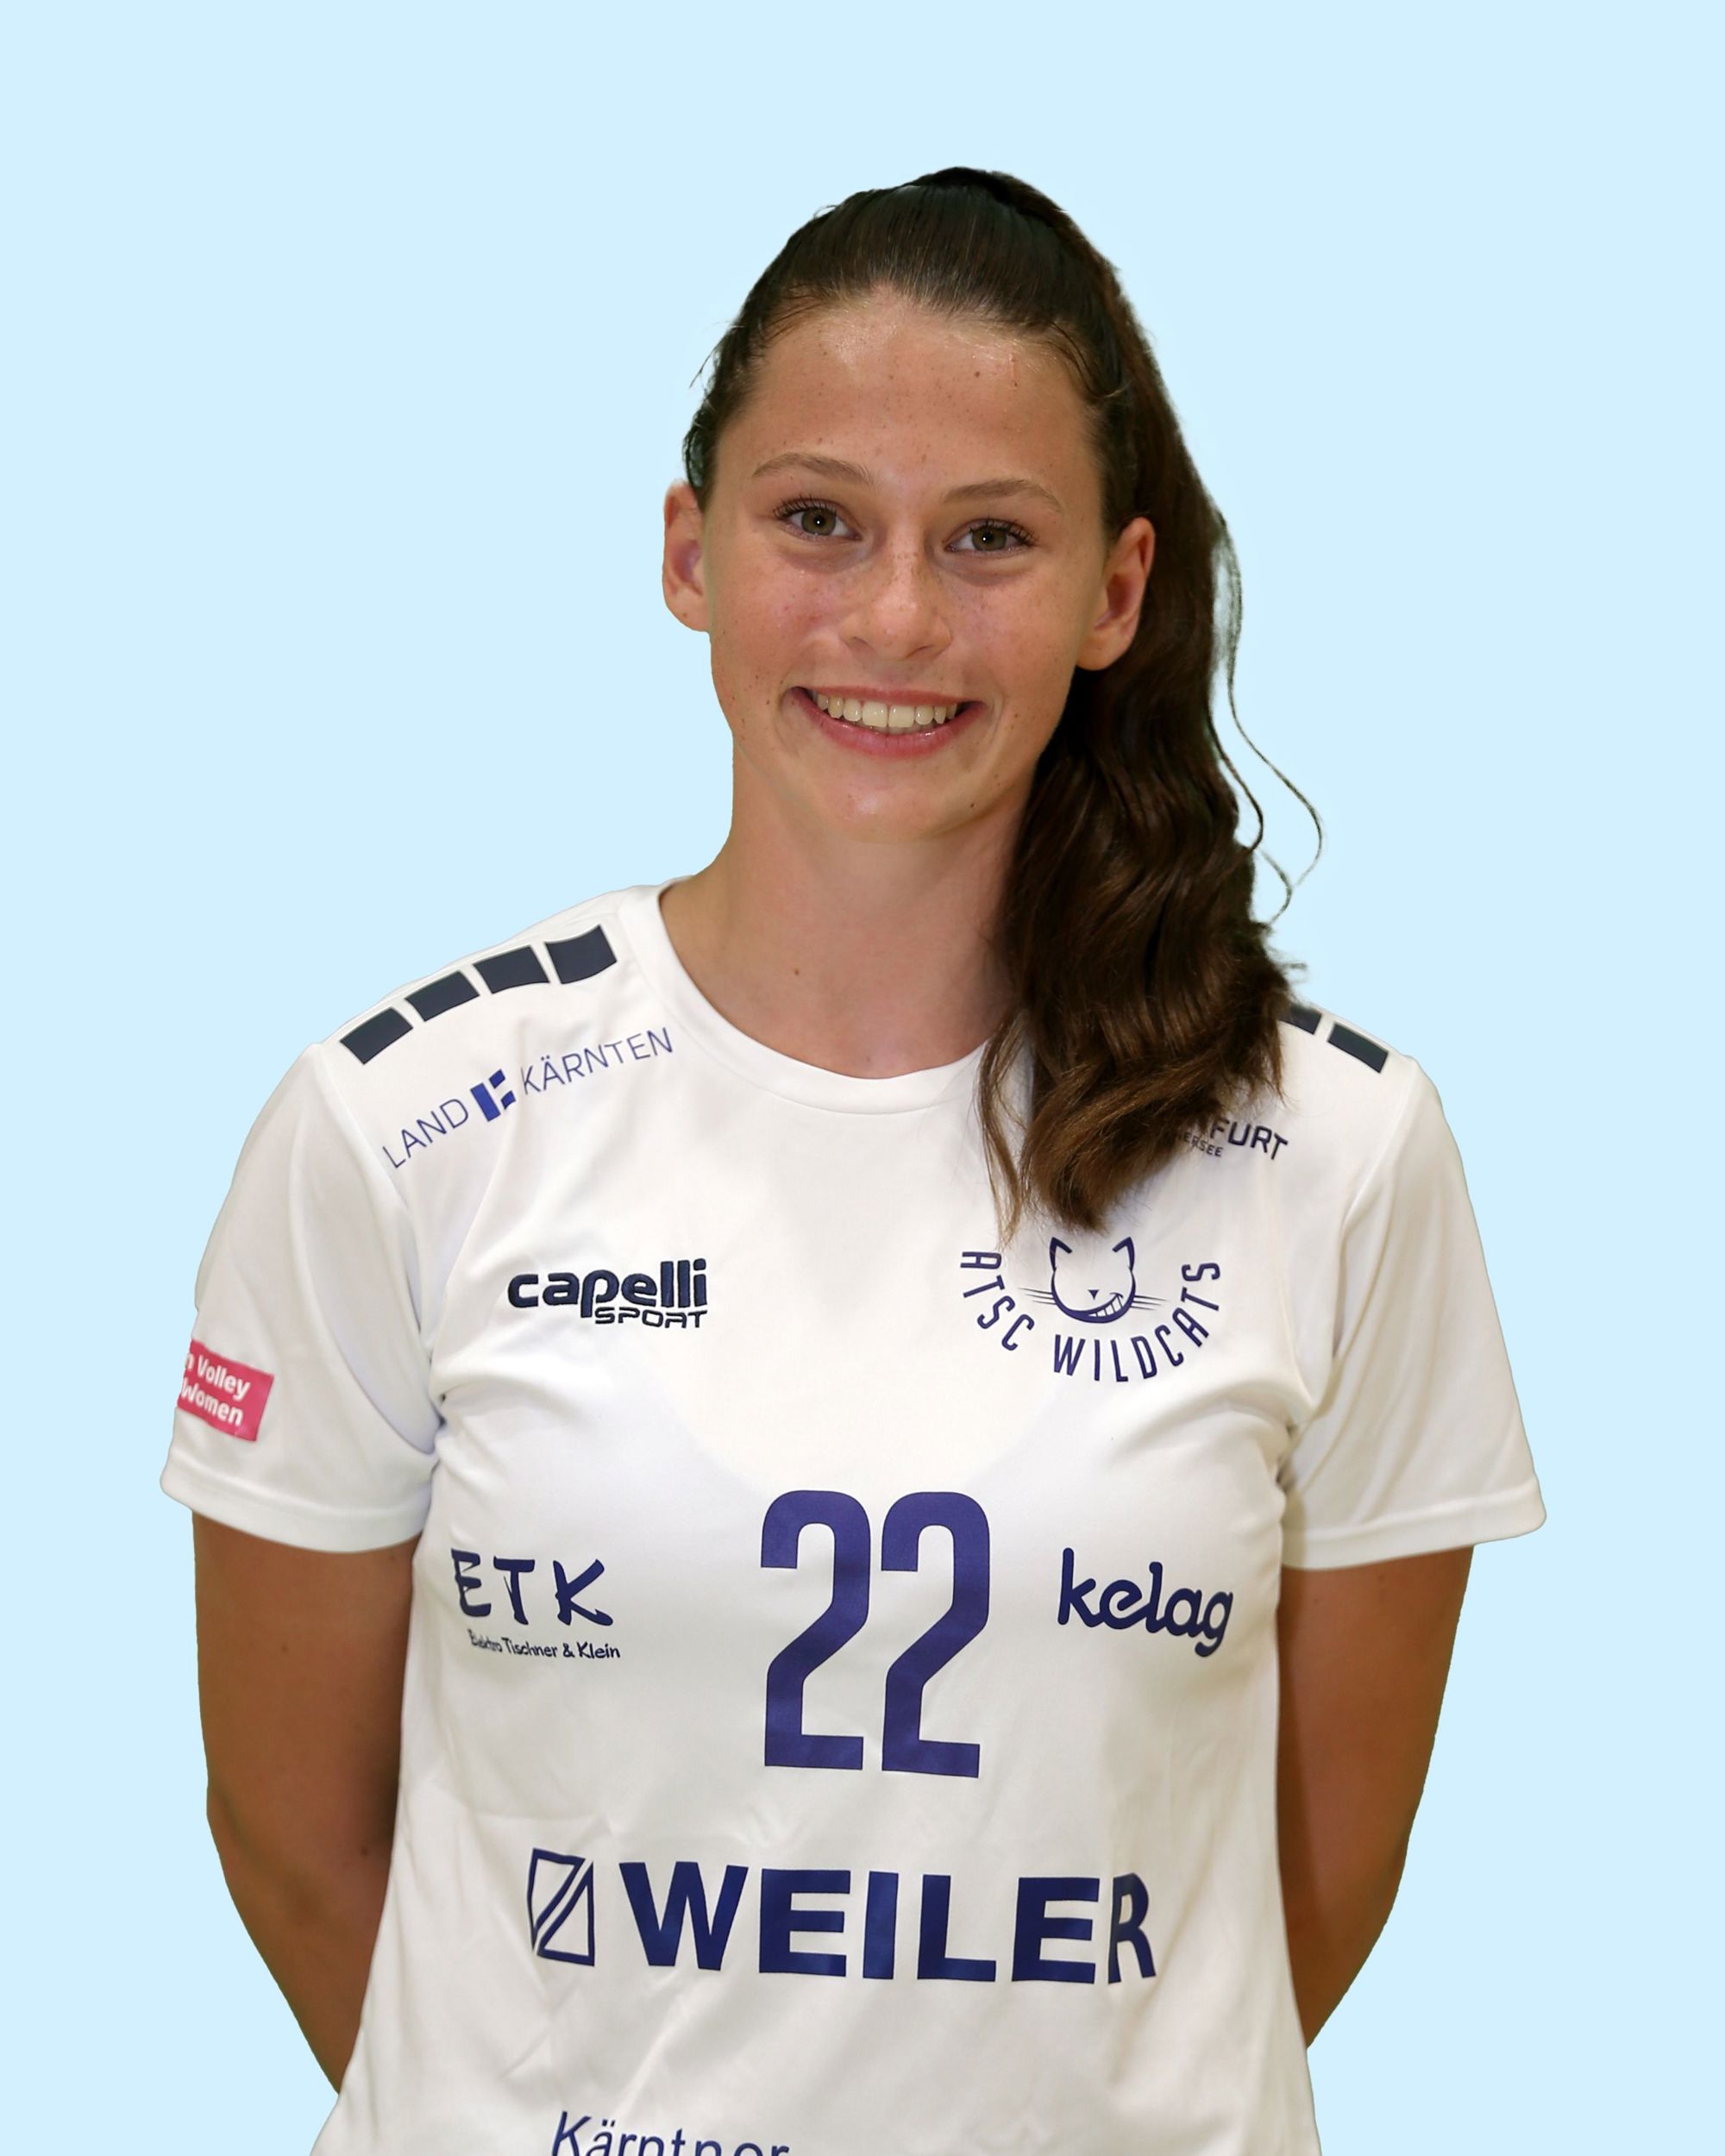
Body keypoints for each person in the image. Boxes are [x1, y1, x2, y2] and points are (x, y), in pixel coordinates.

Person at [162, 167, 1546, 2156]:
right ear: (689, 550)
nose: (896, 617)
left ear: (1116, 592)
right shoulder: (403, 1125)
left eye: (990, 537)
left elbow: (1300, 1893)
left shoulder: (1333, 1151)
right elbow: (294, 1841)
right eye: (817, 519)